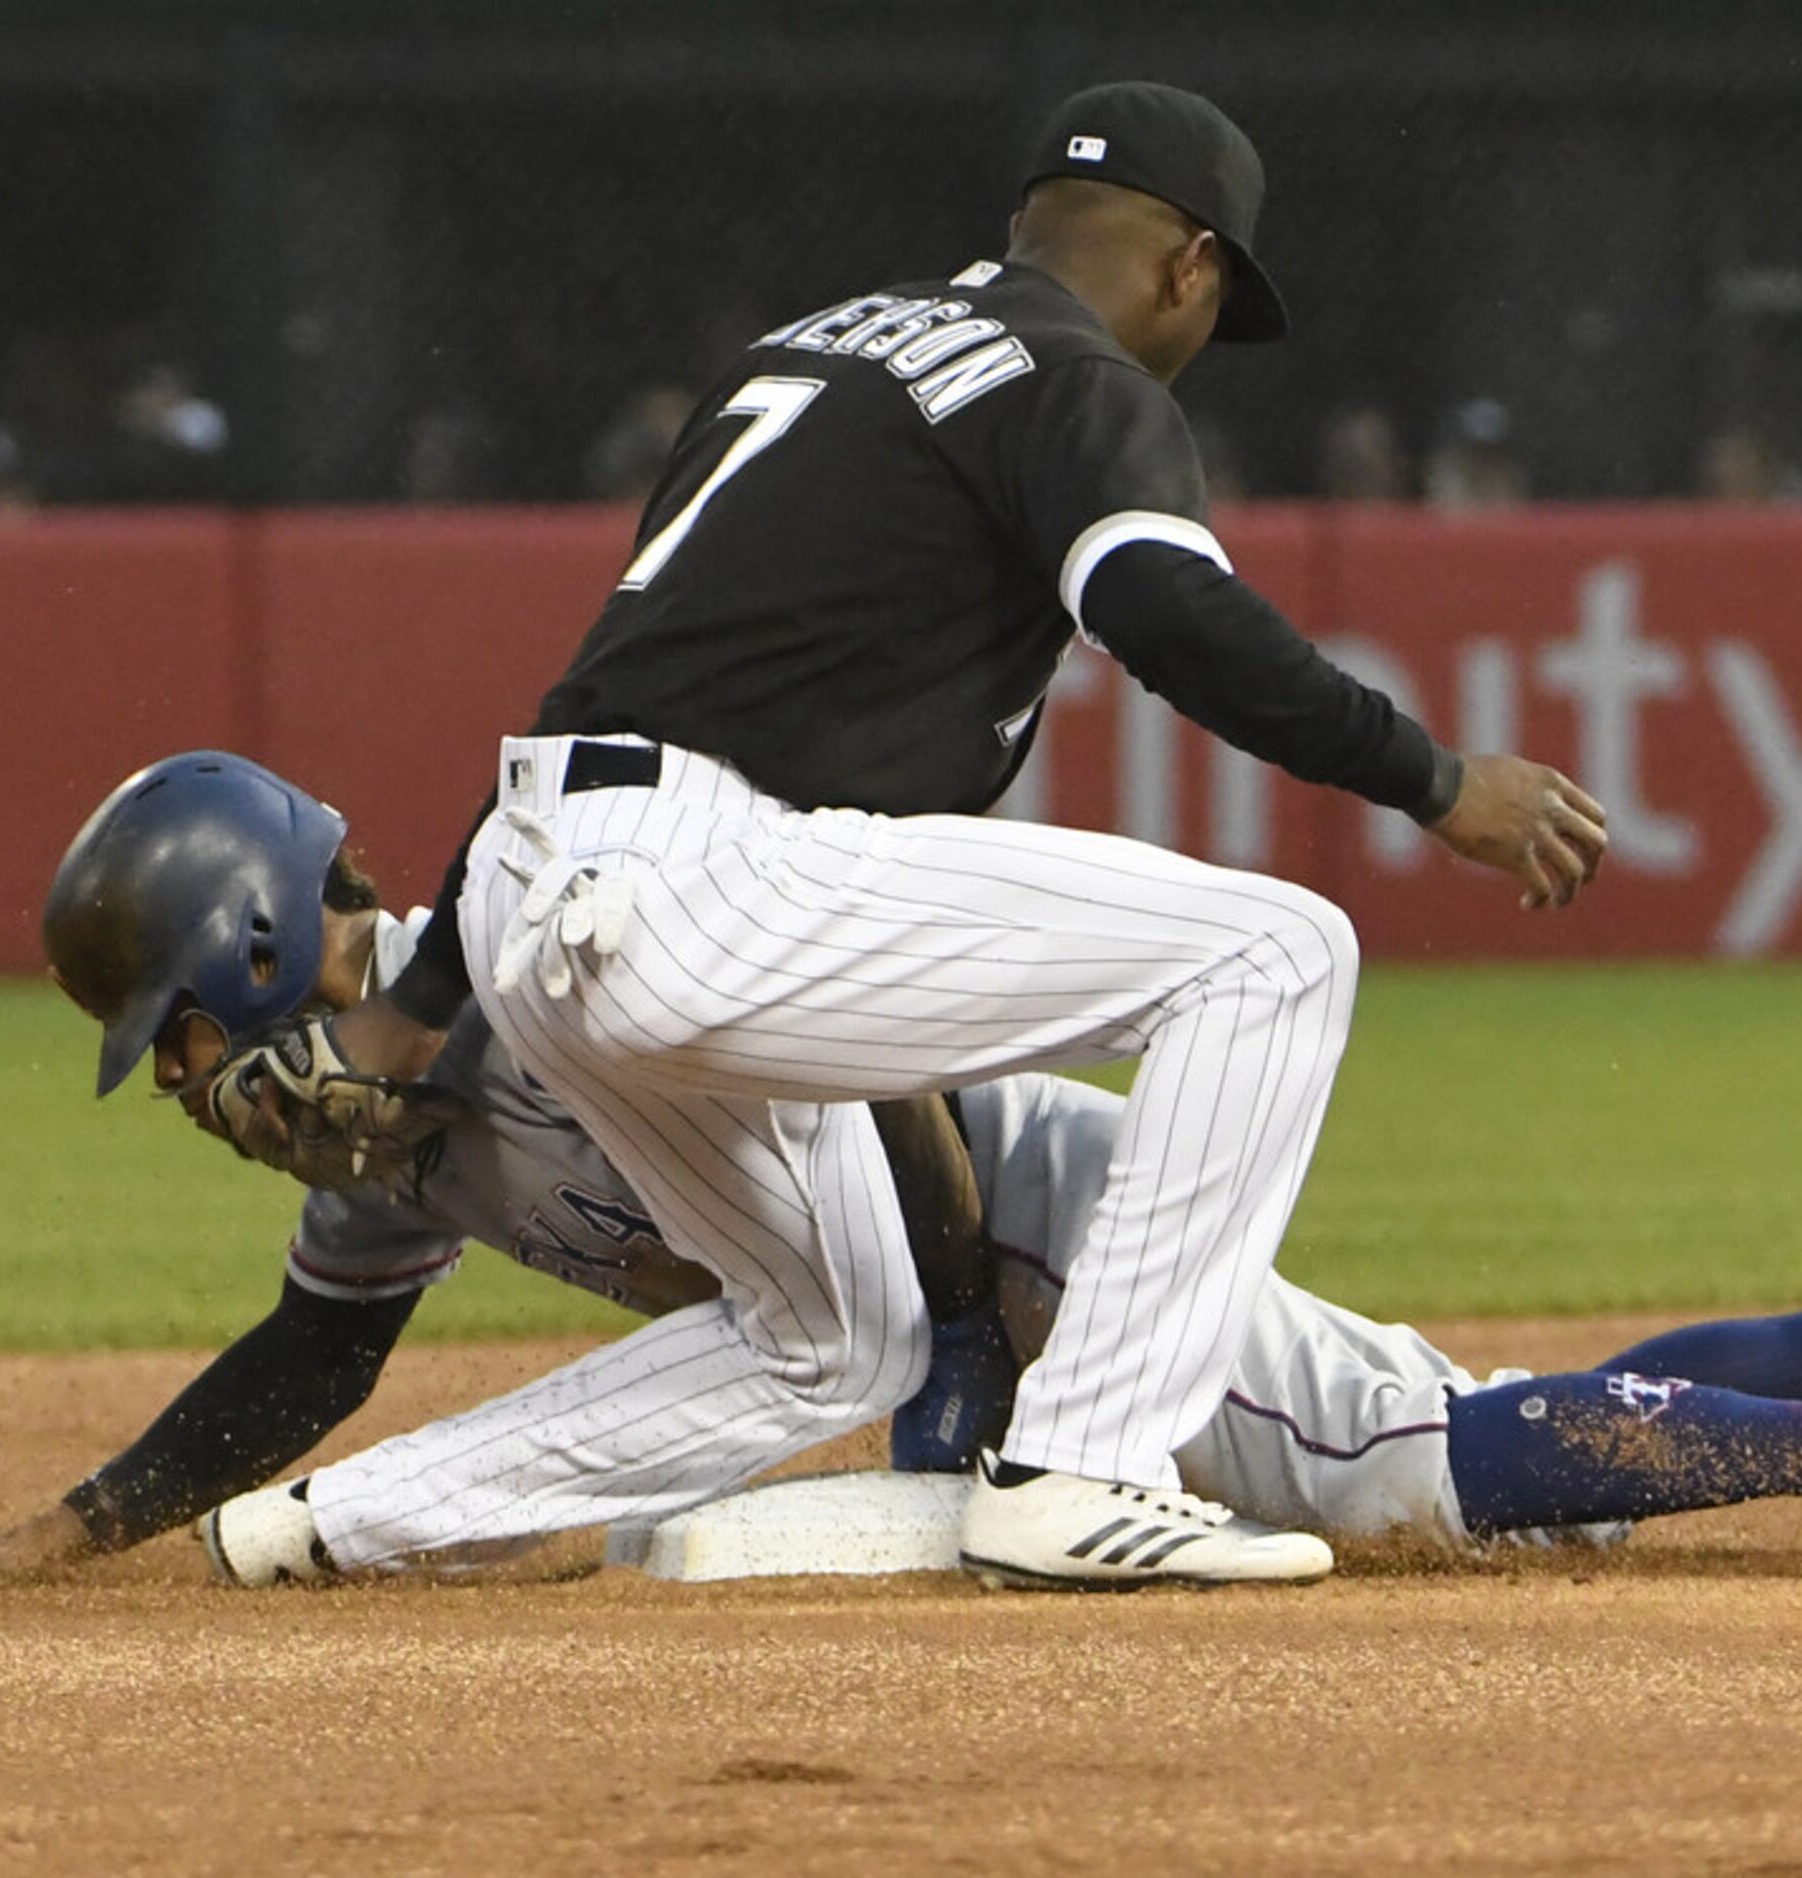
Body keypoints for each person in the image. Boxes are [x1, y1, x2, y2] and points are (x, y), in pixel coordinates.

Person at [197, 81, 1611, 1591]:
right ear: (1186, 265)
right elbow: (1166, 610)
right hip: (704, 882)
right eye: (1213, 305)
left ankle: (324, 1524)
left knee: (828, 1339)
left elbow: (591, 699)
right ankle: (1084, 1468)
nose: (1198, 340)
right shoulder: (1072, 375)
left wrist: (419, 1012)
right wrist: (1436, 780)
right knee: (1275, 951)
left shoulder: (812, 352)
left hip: (551, 892)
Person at [0, 752, 1802, 1579]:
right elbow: (303, 1365)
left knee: (1430, 1464)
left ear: (252, 941)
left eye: (170, 1022)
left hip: (1041, 1247)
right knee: (1416, 1406)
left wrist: (971, 1361)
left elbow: (881, 1070)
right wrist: (72, 1531)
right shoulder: (406, 1133)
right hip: (1017, 1271)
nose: (172, 1074)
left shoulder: (553, 951)